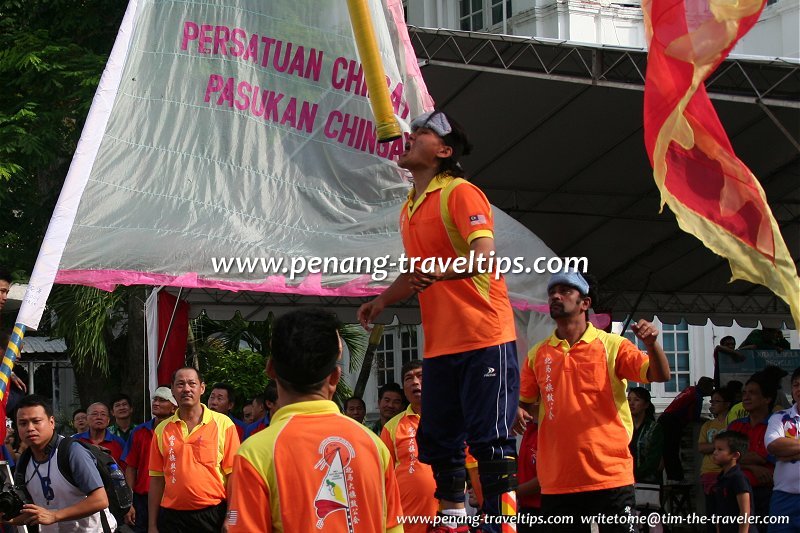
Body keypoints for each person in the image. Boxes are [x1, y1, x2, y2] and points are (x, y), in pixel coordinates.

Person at [358, 109, 520, 533]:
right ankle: (453, 519)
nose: (410, 136)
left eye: (423, 132)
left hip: (484, 335)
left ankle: (500, 523)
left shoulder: (460, 193)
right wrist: (380, 301)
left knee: (490, 439)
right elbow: (415, 272)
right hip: (442, 345)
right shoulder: (409, 207)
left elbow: (483, 256)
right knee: (441, 439)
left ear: (444, 151)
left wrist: (442, 272)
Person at [517, 270, 671, 532]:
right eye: (552, 292)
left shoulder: (614, 346)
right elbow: (524, 401)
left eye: (565, 291)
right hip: (557, 480)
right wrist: (517, 410)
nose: (555, 296)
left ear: (585, 303)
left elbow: (660, 374)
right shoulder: (537, 353)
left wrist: (652, 345)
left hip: (609, 475)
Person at [226, 308, 403, 532]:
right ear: (335, 377)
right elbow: (394, 527)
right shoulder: (375, 447)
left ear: (270, 369)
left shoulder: (255, 454)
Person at [3, 394, 116, 531]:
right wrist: (7, 517)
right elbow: (32, 511)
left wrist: (55, 515)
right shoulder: (24, 461)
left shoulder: (72, 452)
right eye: (23, 423)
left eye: (36, 421)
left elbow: (100, 500)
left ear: (51, 422)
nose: (30, 428)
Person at [148, 367, 240, 533]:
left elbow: (234, 476)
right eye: (180, 384)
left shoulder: (224, 425)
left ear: (202, 388)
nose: (186, 389)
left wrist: (231, 519)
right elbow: (157, 479)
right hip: (172, 518)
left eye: (192, 383)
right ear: (173, 390)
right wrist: (152, 525)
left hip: (213, 515)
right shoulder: (162, 429)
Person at [381, 360, 436, 533]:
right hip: (406, 519)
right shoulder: (391, 427)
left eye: (420, 376)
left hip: (448, 512)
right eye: (408, 378)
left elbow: (471, 466)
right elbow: (383, 478)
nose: (415, 382)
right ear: (404, 389)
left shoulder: (450, 420)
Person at [728, 367, 786, 533]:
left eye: (752, 393)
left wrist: (741, 458)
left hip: (768, 493)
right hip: (737, 492)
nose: (746, 397)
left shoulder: (777, 425)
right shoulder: (736, 426)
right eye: (744, 392)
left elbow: (778, 455)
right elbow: (725, 457)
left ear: (767, 398)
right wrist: (753, 464)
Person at [122, 387, 177, 533]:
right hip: (142, 500)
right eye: (155, 399)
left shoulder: (180, 432)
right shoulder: (139, 432)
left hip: (171, 499)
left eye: (162, 400)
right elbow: (131, 468)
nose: (156, 403)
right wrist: (129, 502)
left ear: (174, 407)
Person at [658, 376, 715, 481]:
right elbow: (694, 417)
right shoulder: (696, 396)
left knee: (667, 451)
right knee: (671, 451)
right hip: (672, 422)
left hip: (665, 418)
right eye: (711, 387)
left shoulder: (690, 390)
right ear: (705, 387)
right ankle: (676, 478)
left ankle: (673, 477)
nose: (713, 390)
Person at [764, 366, 800, 533]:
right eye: (796, 385)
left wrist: (789, 452)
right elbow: (773, 446)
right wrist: (780, 452)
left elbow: (781, 449)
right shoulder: (780, 417)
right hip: (784, 498)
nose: (799, 389)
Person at [698, 387, 734, 529]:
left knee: (726, 512)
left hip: (726, 472)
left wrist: (712, 446)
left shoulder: (732, 424)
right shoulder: (707, 425)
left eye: (716, 401)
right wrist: (721, 446)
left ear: (727, 403)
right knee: (712, 513)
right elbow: (701, 447)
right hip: (708, 472)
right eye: (711, 401)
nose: (712, 404)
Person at [711, 430, 753, 533]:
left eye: (720, 449)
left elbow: (745, 512)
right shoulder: (721, 478)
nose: (715, 452)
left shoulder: (738, 478)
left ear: (735, 455)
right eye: (715, 449)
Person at [627, 387, 664, 485]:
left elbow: (654, 459)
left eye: (637, 400)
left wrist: (635, 474)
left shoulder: (654, 428)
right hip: (624, 481)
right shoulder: (623, 426)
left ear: (646, 404)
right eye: (629, 400)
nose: (631, 403)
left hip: (648, 482)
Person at [516, 413, 541, 533]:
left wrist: (512, 493)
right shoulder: (528, 428)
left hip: (543, 510)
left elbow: (544, 479)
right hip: (525, 510)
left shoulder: (546, 431)